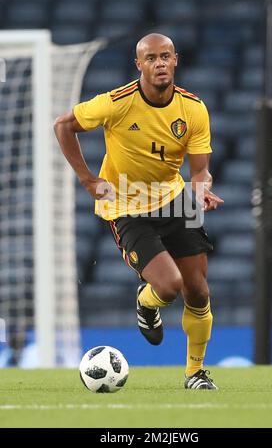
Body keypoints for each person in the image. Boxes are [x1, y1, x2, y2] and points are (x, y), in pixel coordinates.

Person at [54, 33, 223, 390]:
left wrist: (202, 189)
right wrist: (87, 179)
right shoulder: (116, 103)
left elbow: (200, 170)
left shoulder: (194, 109)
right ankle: (146, 305)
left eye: (165, 56)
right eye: (151, 58)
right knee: (169, 285)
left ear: (175, 59)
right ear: (139, 65)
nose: (159, 63)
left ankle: (195, 374)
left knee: (199, 291)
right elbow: (63, 125)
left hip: (177, 199)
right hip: (126, 204)